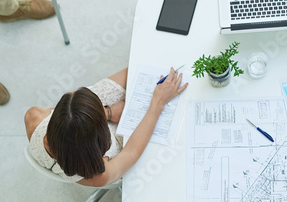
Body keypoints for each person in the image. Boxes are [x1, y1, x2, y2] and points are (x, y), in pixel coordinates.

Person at [24, 67, 187, 186]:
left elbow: (73, 118)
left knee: (136, 72)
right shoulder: (100, 174)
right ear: (103, 137)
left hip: (82, 139)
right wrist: (158, 102)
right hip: (106, 151)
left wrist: (108, 112)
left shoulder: (34, 117)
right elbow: (131, 152)